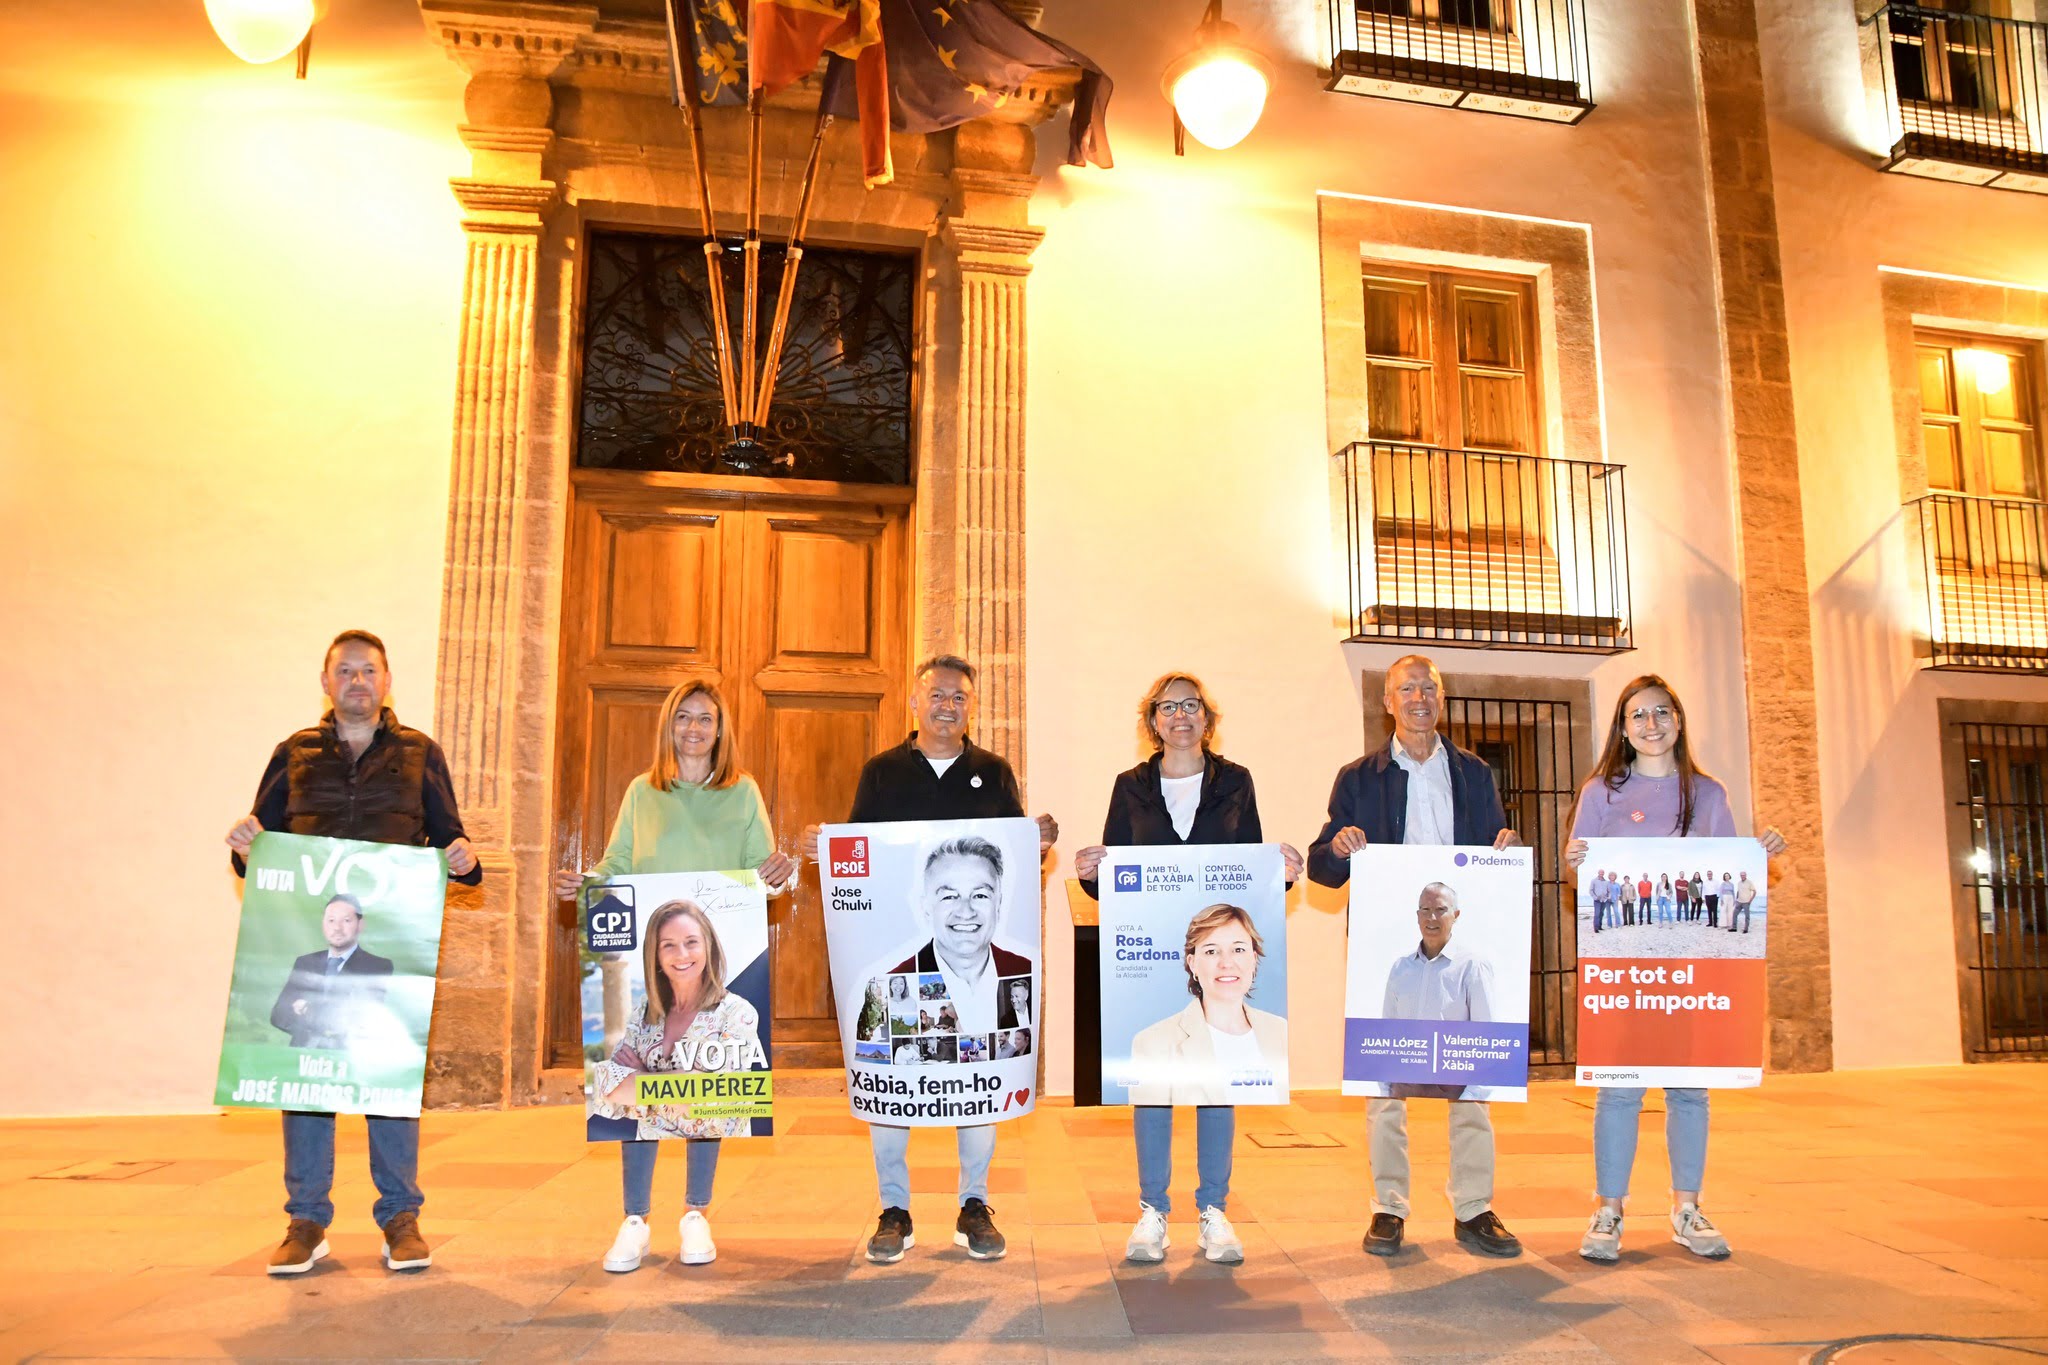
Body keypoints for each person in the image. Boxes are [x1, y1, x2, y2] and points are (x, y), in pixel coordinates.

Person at [225, 629, 482, 1277]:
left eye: (369, 670)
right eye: (345, 670)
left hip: (386, 944)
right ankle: (306, 1220)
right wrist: (244, 845)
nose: (358, 680)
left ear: (386, 681)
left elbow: (452, 841)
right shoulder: (295, 752)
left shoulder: (421, 752)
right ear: (326, 681)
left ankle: (400, 1216)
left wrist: (465, 858)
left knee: (388, 1082)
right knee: (305, 1083)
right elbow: (262, 843)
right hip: (309, 941)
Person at [800, 654, 1058, 1264]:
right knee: (890, 1078)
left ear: (972, 706)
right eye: (937, 695)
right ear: (914, 703)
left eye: (960, 697)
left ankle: (975, 1203)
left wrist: (1035, 839)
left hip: (981, 971)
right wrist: (824, 847)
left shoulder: (993, 772)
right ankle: (894, 1207)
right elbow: (857, 851)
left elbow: (1014, 857)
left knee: (983, 1076)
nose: (948, 705)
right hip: (906, 971)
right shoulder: (882, 771)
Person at [550, 679, 797, 1274]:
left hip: (709, 961)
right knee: (640, 1087)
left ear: (720, 729)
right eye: (683, 717)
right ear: (669, 726)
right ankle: (634, 1220)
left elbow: (763, 875)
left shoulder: (743, 794)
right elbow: (617, 866)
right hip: (654, 965)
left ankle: (695, 1214)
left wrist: (780, 872)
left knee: (705, 1087)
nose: (694, 728)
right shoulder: (642, 792)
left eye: (705, 719)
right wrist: (581, 885)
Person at [1072, 672, 1306, 1267]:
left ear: (1208, 717)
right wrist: (1090, 872)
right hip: (1150, 958)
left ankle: (1214, 1210)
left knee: (1217, 1081)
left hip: (1216, 959)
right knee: (1153, 1083)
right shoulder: (1129, 786)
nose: (1180, 715)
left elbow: (1248, 869)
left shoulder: (1237, 782)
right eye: (1167, 707)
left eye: (1191, 706)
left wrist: (1279, 872)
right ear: (1152, 721)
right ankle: (1152, 1210)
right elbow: (1111, 887)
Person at [1307, 654, 1523, 1260]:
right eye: (1407, 688)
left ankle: (1474, 1208)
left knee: (1473, 1078)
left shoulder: (1475, 774)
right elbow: (1323, 868)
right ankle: (1389, 1208)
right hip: (1391, 955)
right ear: (1388, 703)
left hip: (1461, 957)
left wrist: (1505, 848)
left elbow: (1492, 860)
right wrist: (1338, 846)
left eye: (1429, 687)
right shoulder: (1359, 777)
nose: (1419, 696)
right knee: (1385, 1083)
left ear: (1443, 697)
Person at [1565, 674, 1787, 1265]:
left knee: (1690, 1089)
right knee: (1619, 1090)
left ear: (1679, 721)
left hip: (1694, 967)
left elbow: (1729, 876)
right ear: (1623, 727)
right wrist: (1575, 863)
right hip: (1625, 967)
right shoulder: (1600, 794)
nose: (1651, 724)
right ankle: (1609, 1209)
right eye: (1638, 715)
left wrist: (1757, 857)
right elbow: (1580, 880)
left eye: (1662, 712)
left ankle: (1687, 1208)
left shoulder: (1708, 794)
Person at [588, 900, 765, 1267]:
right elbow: (607, 1083)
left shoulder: (737, 1012)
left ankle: (695, 1216)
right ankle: (635, 1223)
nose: (681, 954)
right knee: (632, 1123)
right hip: (651, 1121)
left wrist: (643, 1081)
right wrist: (674, 1085)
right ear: (654, 955)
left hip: (709, 1122)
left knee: (689, 1119)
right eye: (668, 945)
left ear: (709, 947)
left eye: (691, 942)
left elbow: (709, 1100)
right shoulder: (644, 1012)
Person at [270, 894, 394, 1049]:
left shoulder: (377, 966)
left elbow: (362, 1019)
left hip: (346, 1059)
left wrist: (307, 1009)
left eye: (346, 920)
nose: (337, 928)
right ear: (323, 924)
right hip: (301, 1058)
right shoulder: (305, 962)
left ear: (360, 924)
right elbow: (278, 1015)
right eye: (331, 920)